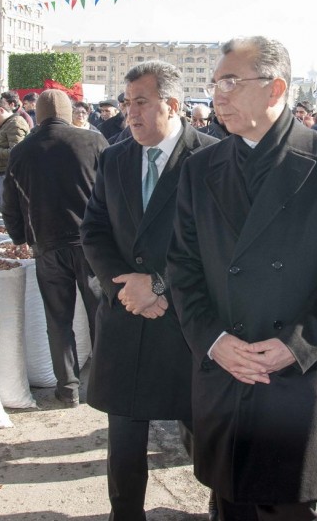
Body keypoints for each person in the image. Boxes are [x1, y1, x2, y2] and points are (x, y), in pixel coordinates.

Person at [167, 36, 317, 519]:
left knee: (287, 505)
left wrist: (295, 345)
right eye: (216, 83)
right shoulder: (200, 168)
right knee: (229, 502)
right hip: (226, 367)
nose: (218, 95)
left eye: (232, 82)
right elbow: (182, 267)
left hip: (296, 374)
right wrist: (214, 341)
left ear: (276, 88)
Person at [81, 62, 218, 521]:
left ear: (172, 105)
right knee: (123, 432)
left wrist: (157, 285)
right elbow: (94, 229)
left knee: (204, 428)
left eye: (141, 102)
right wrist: (124, 286)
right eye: (126, 102)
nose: (129, 113)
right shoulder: (114, 157)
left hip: (187, 321)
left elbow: (219, 245)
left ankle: (221, 506)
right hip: (126, 313)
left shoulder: (214, 158)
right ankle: (125, 513)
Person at [2, 90, 108, 406]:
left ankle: (68, 388)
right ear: (67, 111)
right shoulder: (92, 142)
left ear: (40, 115)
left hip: (46, 244)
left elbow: (11, 202)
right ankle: (104, 385)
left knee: (58, 320)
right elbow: (115, 192)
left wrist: (19, 237)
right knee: (99, 316)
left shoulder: (22, 151)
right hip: (91, 245)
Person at [0, 98, 30, 205]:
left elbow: (17, 151)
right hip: (5, 172)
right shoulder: (8, 123)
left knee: (9, 209)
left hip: (10, 173)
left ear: (1, 110)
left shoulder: (14, 123)